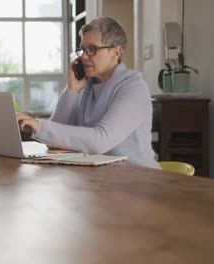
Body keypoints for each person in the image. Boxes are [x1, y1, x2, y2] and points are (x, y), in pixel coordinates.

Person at [17, 17, 160, 169]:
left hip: (138, 180)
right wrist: (72, 90)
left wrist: (39, 126)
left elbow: (100, 141)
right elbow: (51, 140)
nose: (84, 56)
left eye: (92, 49)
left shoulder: (133, 88)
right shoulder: (88, 88)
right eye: (83, 49)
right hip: (102, 180)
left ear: (116, 52)